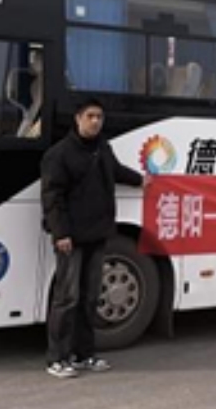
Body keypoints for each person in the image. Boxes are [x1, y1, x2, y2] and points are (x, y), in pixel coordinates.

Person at [40, 98, 145, 379]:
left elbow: (117, 171)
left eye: (99, 116)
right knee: (67, 299)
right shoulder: (59, 154)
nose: (96, 121)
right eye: (90, 116)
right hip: (71, 239)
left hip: (98, 234)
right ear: (78, 119)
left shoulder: (102, 148)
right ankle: (57, 358)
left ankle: (84, 354)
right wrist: (60, 233)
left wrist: (141, 180)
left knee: (89, 298)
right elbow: (52, 198)